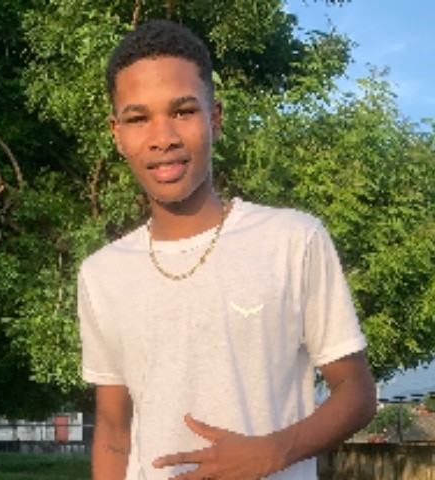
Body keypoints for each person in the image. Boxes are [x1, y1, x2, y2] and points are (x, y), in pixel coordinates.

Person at [78, 19, 376, 480]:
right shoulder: (102, 274)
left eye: (183, 111)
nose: (163, 137)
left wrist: (273, 452)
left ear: (214, 118)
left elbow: (357, 392)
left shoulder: (293, 240)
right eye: (138, 119)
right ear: (117, 134)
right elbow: (115, 430)